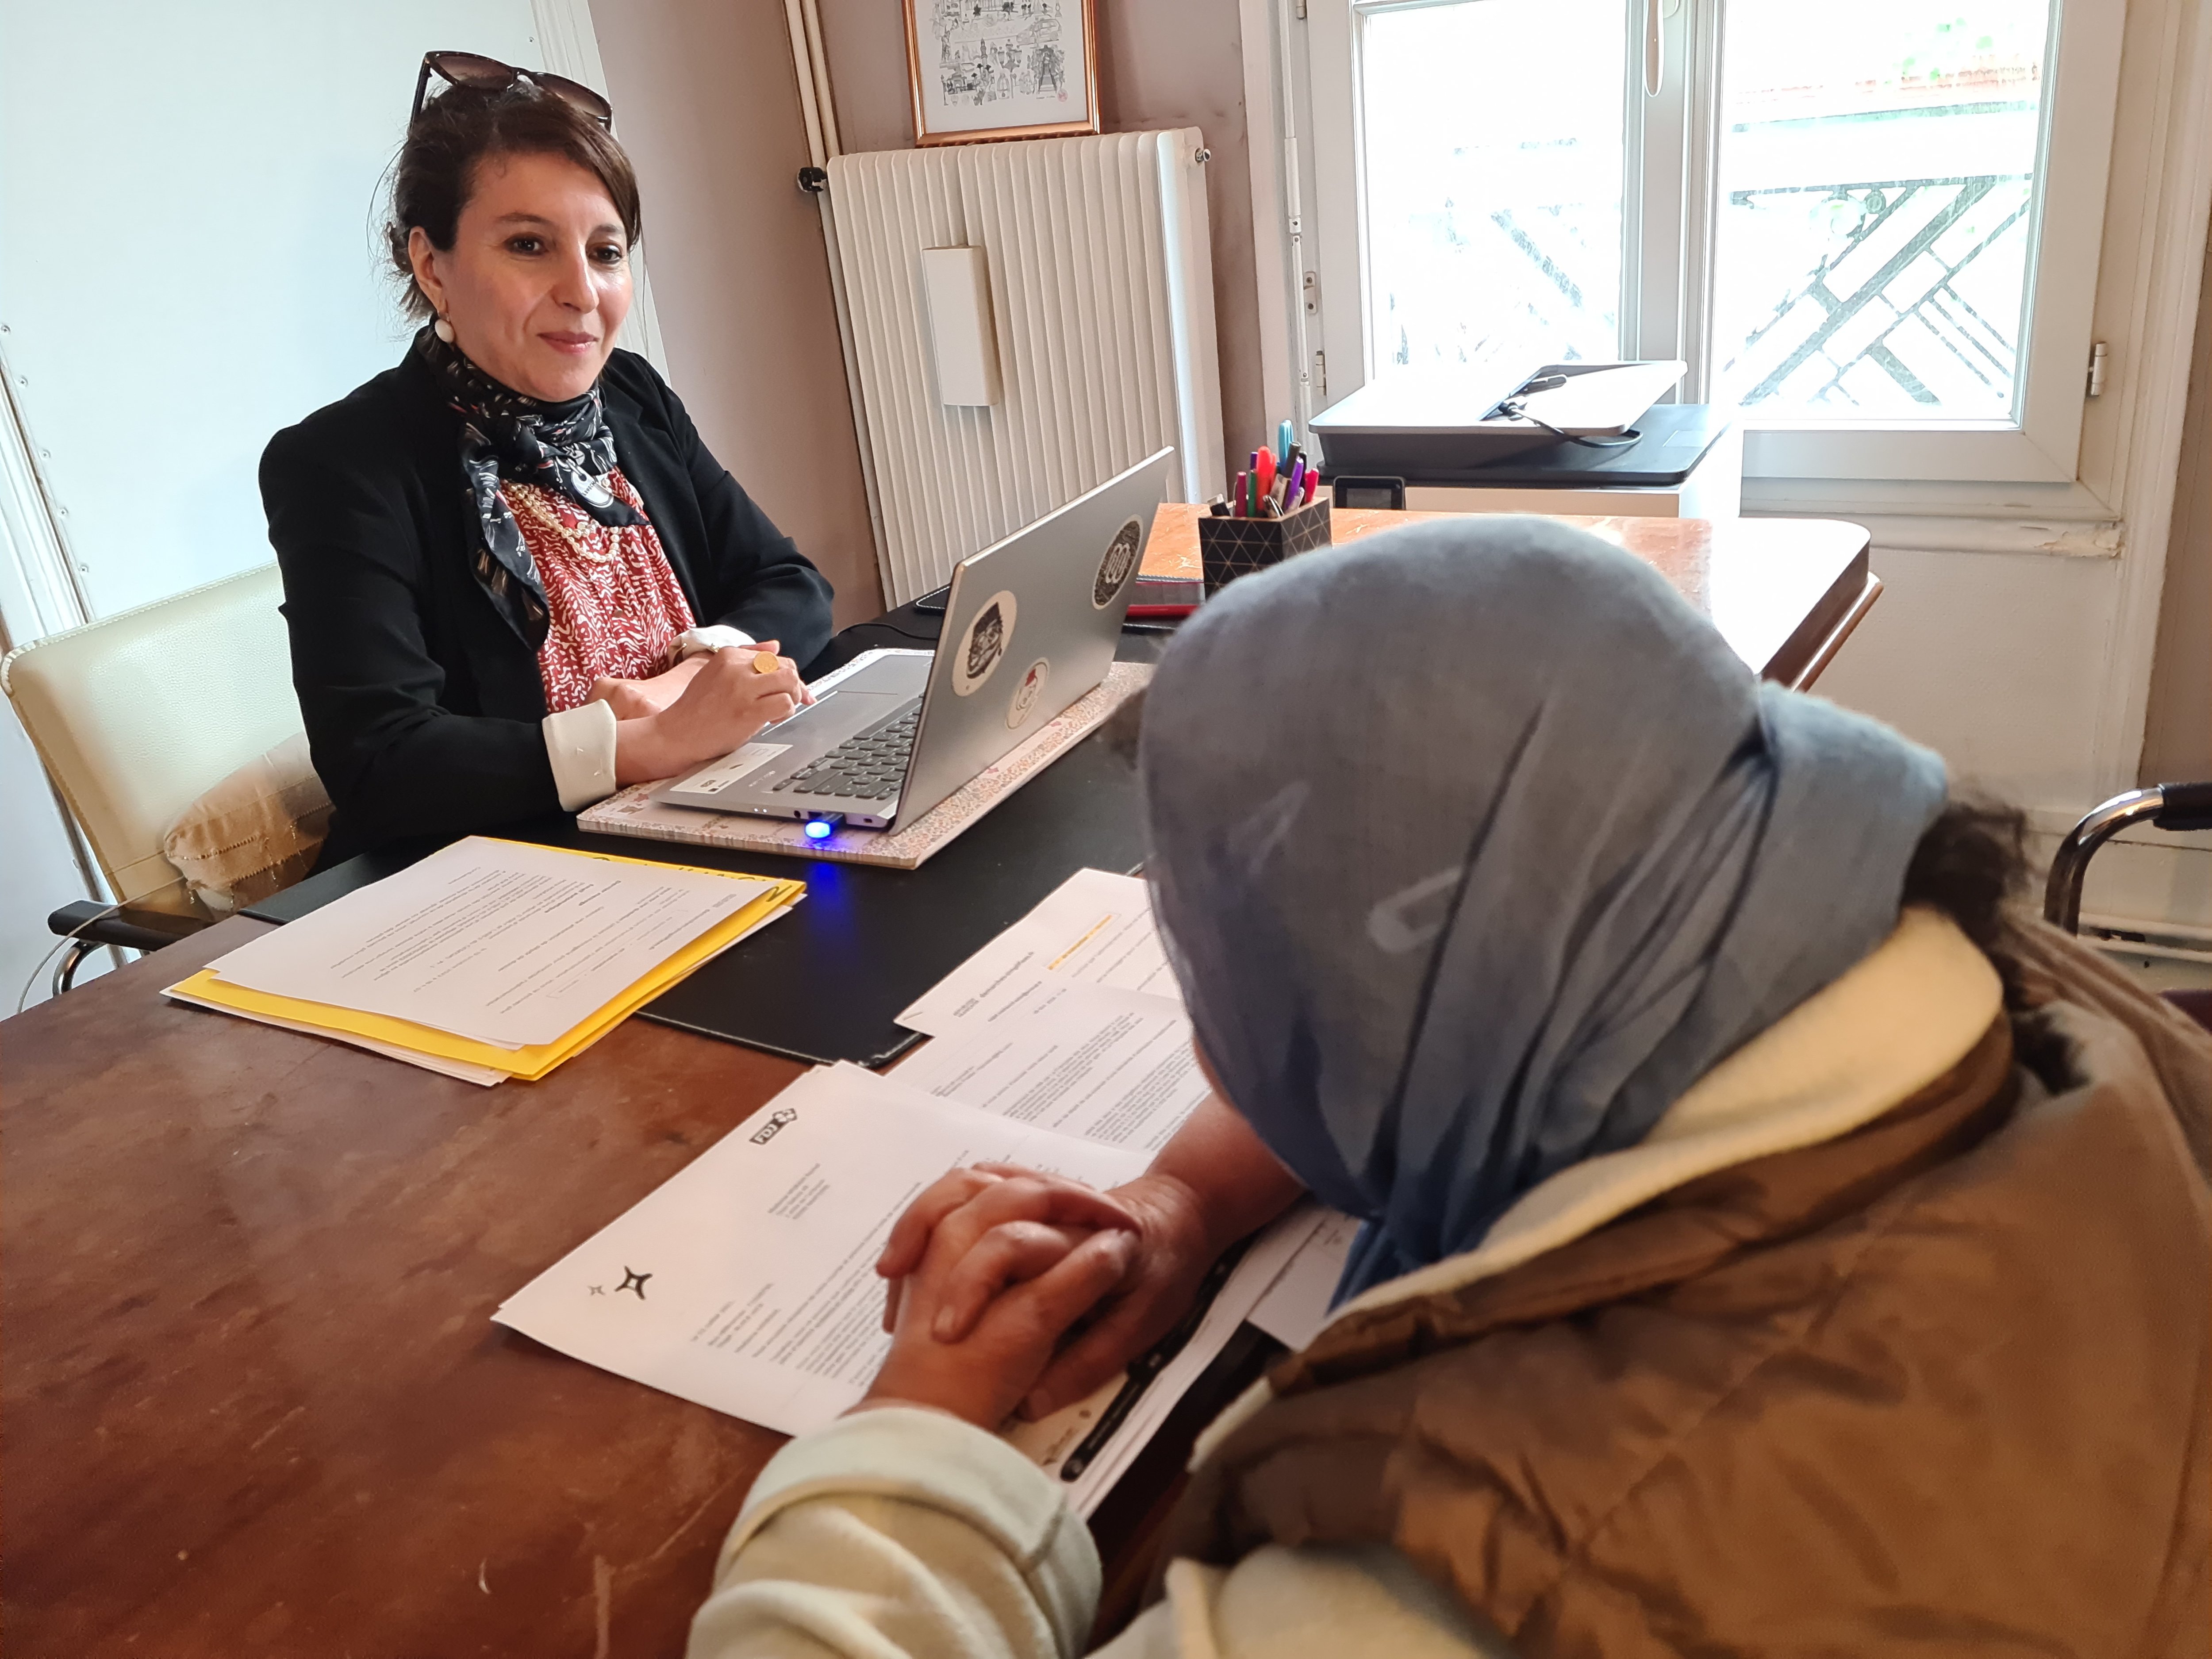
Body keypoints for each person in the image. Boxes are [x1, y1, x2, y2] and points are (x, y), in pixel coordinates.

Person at [683, 518, 2210, 1658]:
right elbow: (1451, 1009)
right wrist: (1182, 1199)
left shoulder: (1458, 1583)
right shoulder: (1987, 971)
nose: (1220, 1035)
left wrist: (911, 1445)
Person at [261, 55, 833, 865]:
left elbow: (793, 585)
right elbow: (383, 760)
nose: (582, 291)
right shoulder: (343, 465)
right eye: (529, 245)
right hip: (507, 877)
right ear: (433, 266)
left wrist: (681, 686)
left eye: (605, 253)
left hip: (704, 816)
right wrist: (641, 744)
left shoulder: (631, 397)